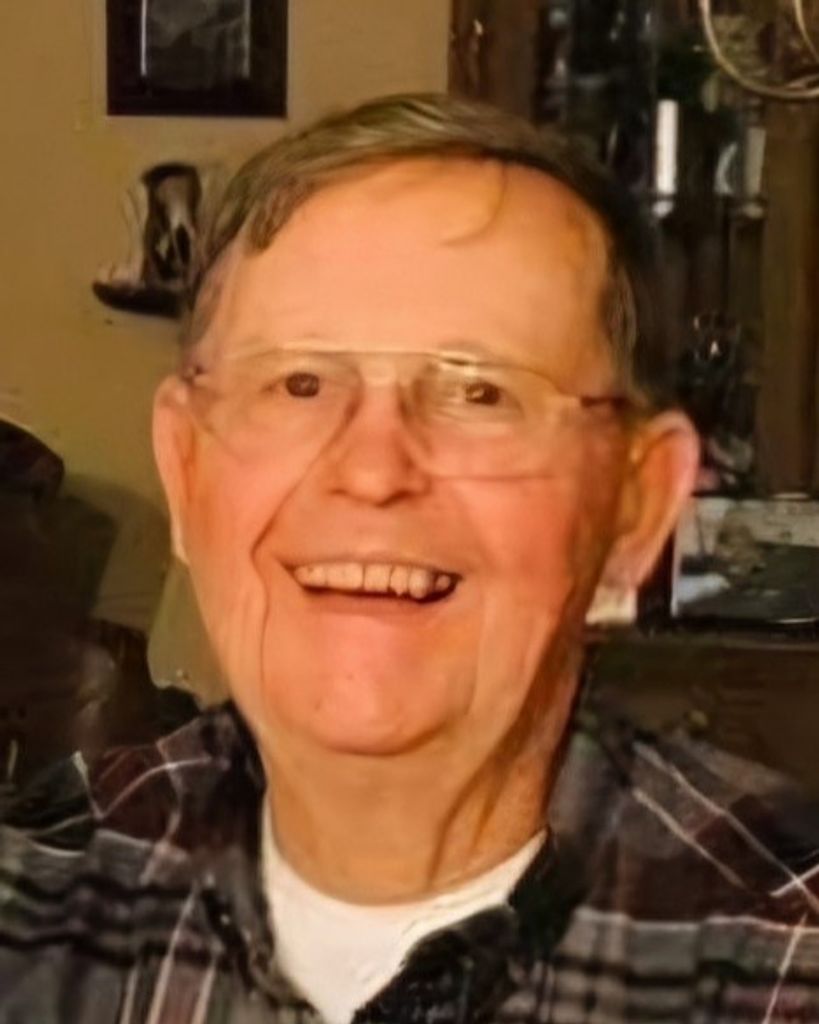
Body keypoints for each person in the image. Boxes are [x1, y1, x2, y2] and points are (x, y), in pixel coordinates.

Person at [2, 93, 818, 1024]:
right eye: (299, 383)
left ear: (634, 508)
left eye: (480, 392)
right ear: (186, 472)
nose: (372, 470)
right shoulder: (38, 908)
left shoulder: (782, 958)